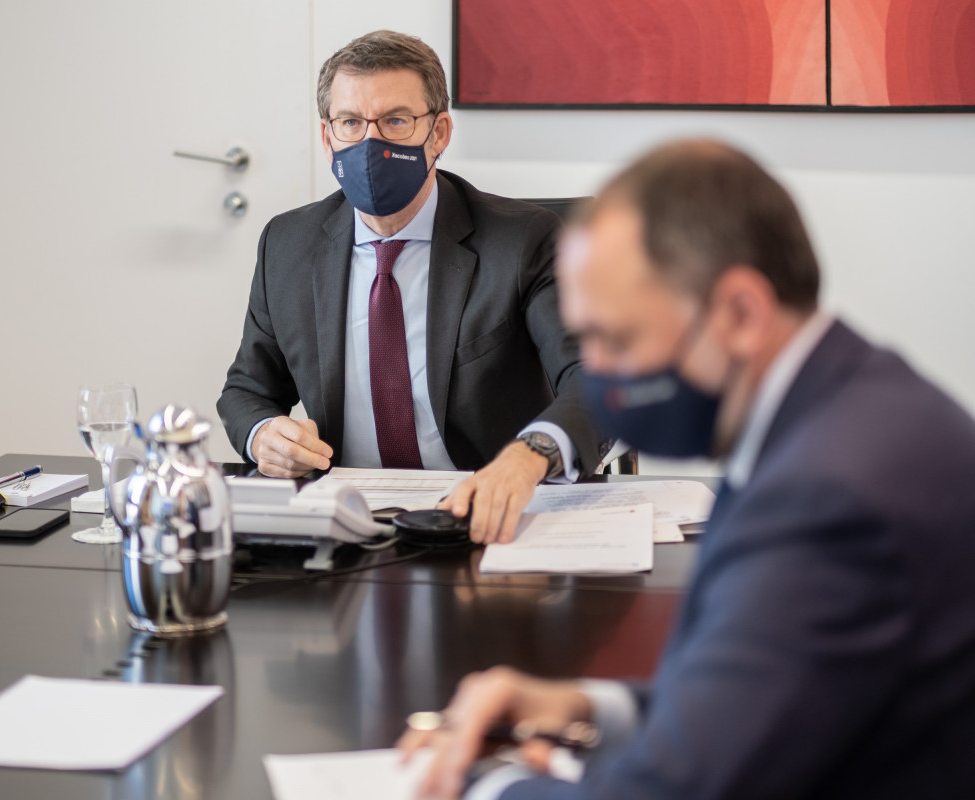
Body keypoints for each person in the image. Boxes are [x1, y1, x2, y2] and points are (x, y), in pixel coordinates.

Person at [401, 139, 975, 799]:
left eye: (616, 339)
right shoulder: (847, 410)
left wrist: (477, 784)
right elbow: (756, 702)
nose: (598, 374)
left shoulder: (829, 494)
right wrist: (588, 710)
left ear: (739, 313)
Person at [217, 31, 608, 542]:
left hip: (486, 517)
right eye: (351, 122)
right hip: (348, 524)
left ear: (439, 132)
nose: (370, 142)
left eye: (396, 121)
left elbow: (596, 379)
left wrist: (532, 454)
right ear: (327, 136)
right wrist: (262, 435)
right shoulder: (287, 245)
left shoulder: (522, 241)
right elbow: (247, 390)